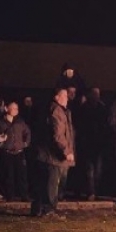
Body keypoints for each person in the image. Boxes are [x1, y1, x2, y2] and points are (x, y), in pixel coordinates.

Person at [30, 88, 75, 217]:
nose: (67, 98)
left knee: (45, 182)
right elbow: (58, 134)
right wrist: (66, 151)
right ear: (56, 97)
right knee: (52, 184)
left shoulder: (56, 110)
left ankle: (38, 209)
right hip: (53, 155)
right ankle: (48, 210)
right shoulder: (57, 111)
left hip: (48, 154)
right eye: (64, 95)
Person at [74, 87, 109, 200]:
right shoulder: (85, 108)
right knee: (90, 169)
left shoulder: (101, 107)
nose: (96, 96)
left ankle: (94, 191)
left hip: (98, 143)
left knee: (97, 169)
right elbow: (81, 124)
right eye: (94, 94)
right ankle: (91, 191)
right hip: (88, 142)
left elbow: (105, 125)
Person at [0, 101, 31, 201]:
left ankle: (24, 195)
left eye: (16, 108)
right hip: (7, 152)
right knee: (9, 175)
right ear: (6, 109)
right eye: (12, 108)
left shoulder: (20, 122)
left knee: (22, 175)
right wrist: (2, 144)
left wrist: (25, 143)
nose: (15, 110)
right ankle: (10, 196)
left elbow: (27, 132)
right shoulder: (1, 122)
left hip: (19, 152)